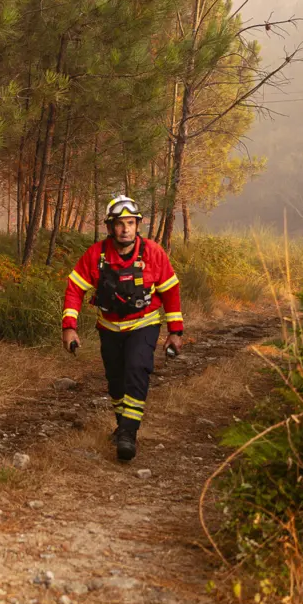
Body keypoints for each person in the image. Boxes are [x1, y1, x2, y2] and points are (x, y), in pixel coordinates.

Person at [60, 195, 184, 461]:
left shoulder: (153, 253)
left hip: (144, 323)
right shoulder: (96, 255)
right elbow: (74, 290)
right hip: (109, 327)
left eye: (130, 223)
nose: (125, 229)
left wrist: (175, 331)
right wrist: (69, 327)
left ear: (138, 225)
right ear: (110, 227)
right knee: (116, 381)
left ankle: (128, 433)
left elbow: (171, 292)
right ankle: (123, 424)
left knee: (136, 370)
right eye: (120, 223)